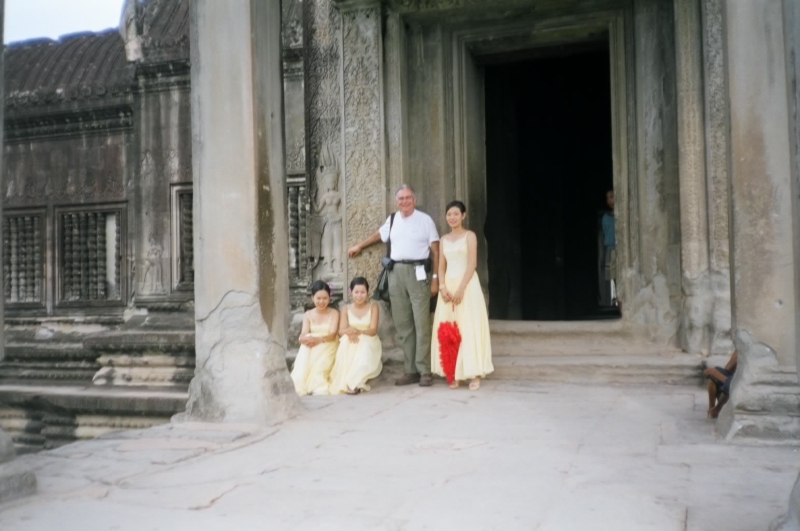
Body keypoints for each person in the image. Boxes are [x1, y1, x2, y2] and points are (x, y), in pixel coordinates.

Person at [348, 184, 440, 387]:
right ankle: (410, 370)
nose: (404, 201)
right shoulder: (393, 220)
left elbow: (436, 250)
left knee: (422, 323)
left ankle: (425, 370)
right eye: (401, 199)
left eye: (408, 198)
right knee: (403, 325)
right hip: (395, 273)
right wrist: (359, 246)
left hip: (419, 273)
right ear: (396, 201)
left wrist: (435, 278)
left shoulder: (425, 220)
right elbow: (378, 235)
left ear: (414, 200)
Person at [431, 201, 494, 390]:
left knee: (468, 327)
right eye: (449, 214)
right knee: (449, 328)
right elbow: (441, 266)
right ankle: (453, 372)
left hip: (467, 285)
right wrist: (442, 287)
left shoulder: (470, 236)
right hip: (448, 285)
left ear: (463, 216)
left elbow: (472, 264)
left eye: (456, 214)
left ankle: (475, 372)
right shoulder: (443, 240)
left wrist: (461, 289)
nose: (452, 218)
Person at [329, 277, 383, 395]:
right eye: (356, 292)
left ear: (367, 292)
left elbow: (373, 330)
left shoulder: (373, 307)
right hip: (351, 338)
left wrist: (359, 332)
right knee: (345, 341)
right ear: (351, 292)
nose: (359, 295)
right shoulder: (345, 309)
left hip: (369, 339)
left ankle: (356, 383)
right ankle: (346, 380)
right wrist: (349, 331)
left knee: (362, 343)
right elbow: (341, 331)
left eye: (363, 292)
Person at [290, 281, 339, 396]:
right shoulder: (308, 314)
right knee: (308, 337)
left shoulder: (334, 313)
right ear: (312, 298)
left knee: (319, 372)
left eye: (325, 298)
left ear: (329, 298)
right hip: (313, 345)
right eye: (318, 298)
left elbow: (332, 334)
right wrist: (304, 339)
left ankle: (316, 384)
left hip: (329, 344)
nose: (322, 301)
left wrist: (318, 340)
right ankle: (301, 383)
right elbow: (303, 334)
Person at [704, 350, 738, 419]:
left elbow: (735, 381)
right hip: (732, 378)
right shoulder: (739, 350)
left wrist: (716, 373)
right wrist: (715, 372)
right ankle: (711, 408)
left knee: (727, 384)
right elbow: (728, 369)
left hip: (737, 384)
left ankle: (717, 409)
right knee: (713, 374)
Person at [602, 190, 618, 306]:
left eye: (612, 197)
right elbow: (605, 232)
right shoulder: (605, 218)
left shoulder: (621, 216)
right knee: (614, 277)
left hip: (620, 249)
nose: (610, 200)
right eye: (608, 198)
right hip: (610, 249)